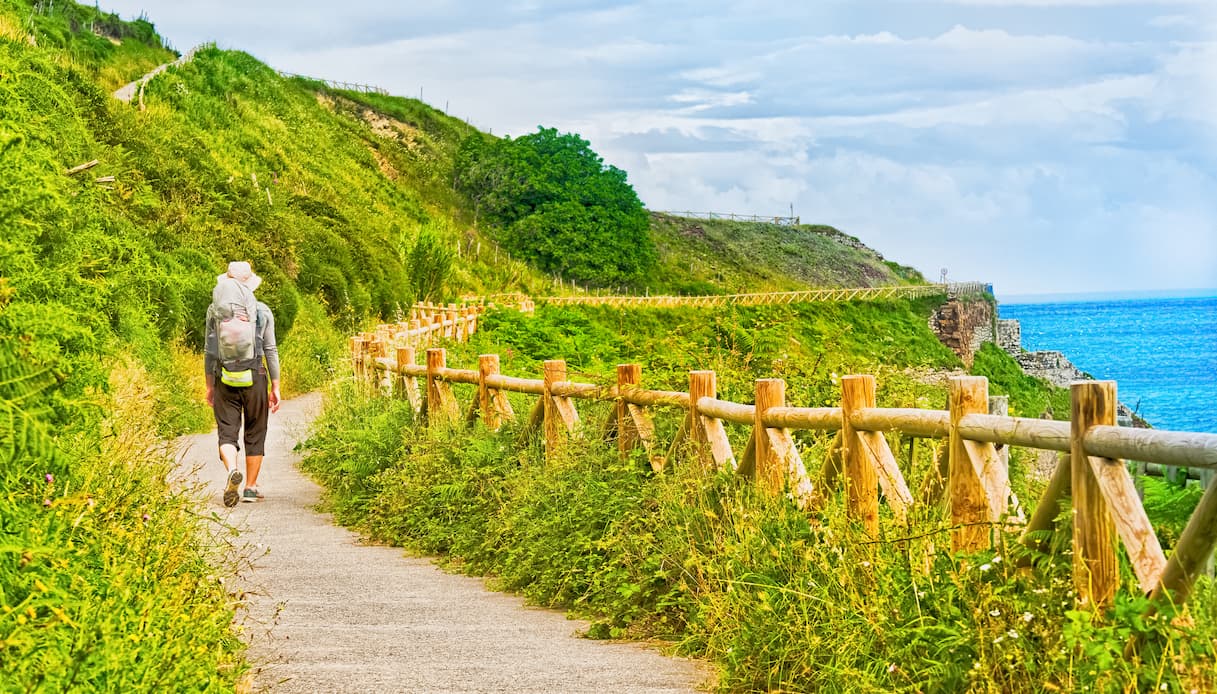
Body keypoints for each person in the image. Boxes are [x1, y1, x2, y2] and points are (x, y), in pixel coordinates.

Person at [204, 261, 282, 507]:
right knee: (255, 430)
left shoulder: (214, 311)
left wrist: (209, 385)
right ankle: (249, 487)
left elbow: (209, 352)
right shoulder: (262, 311)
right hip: (255, 374)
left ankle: (231, 471)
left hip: (224, 375)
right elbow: (270, 350)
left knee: (227, 430)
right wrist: (276, 386)